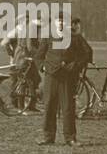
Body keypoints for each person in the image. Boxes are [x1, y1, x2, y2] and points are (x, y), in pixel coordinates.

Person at [36, 14, 92, 146]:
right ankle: (48, 137)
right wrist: (42, 67)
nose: (60, 23)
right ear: (54, 22)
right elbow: (38, 56)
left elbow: (87, 53)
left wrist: (76, 66)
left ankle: (70, 138)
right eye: (58, 20)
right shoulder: (48, 36)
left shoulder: (75, 37)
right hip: (51, 77)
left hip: (67, 78)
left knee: (68, 107)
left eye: (63, 21)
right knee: (49, 106)